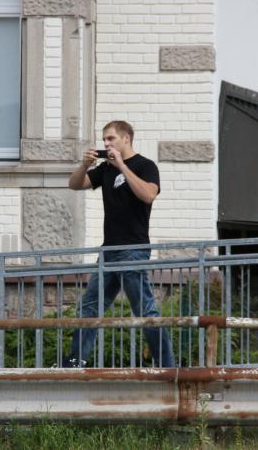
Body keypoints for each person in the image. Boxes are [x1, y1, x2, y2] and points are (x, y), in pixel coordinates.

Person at [62, 120, 175, 368]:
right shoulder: (105, 169)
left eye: (111, 138)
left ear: (126, 138)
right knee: (88, 309)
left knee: (145, 311)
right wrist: (84, 164)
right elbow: (74, 184)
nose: (106, 143)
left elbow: (148, 194)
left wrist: (122, 165)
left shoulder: (145, 166)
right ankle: (72, 365)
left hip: (134, 250)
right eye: (104, 140)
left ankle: (167, 366)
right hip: (109, 252)